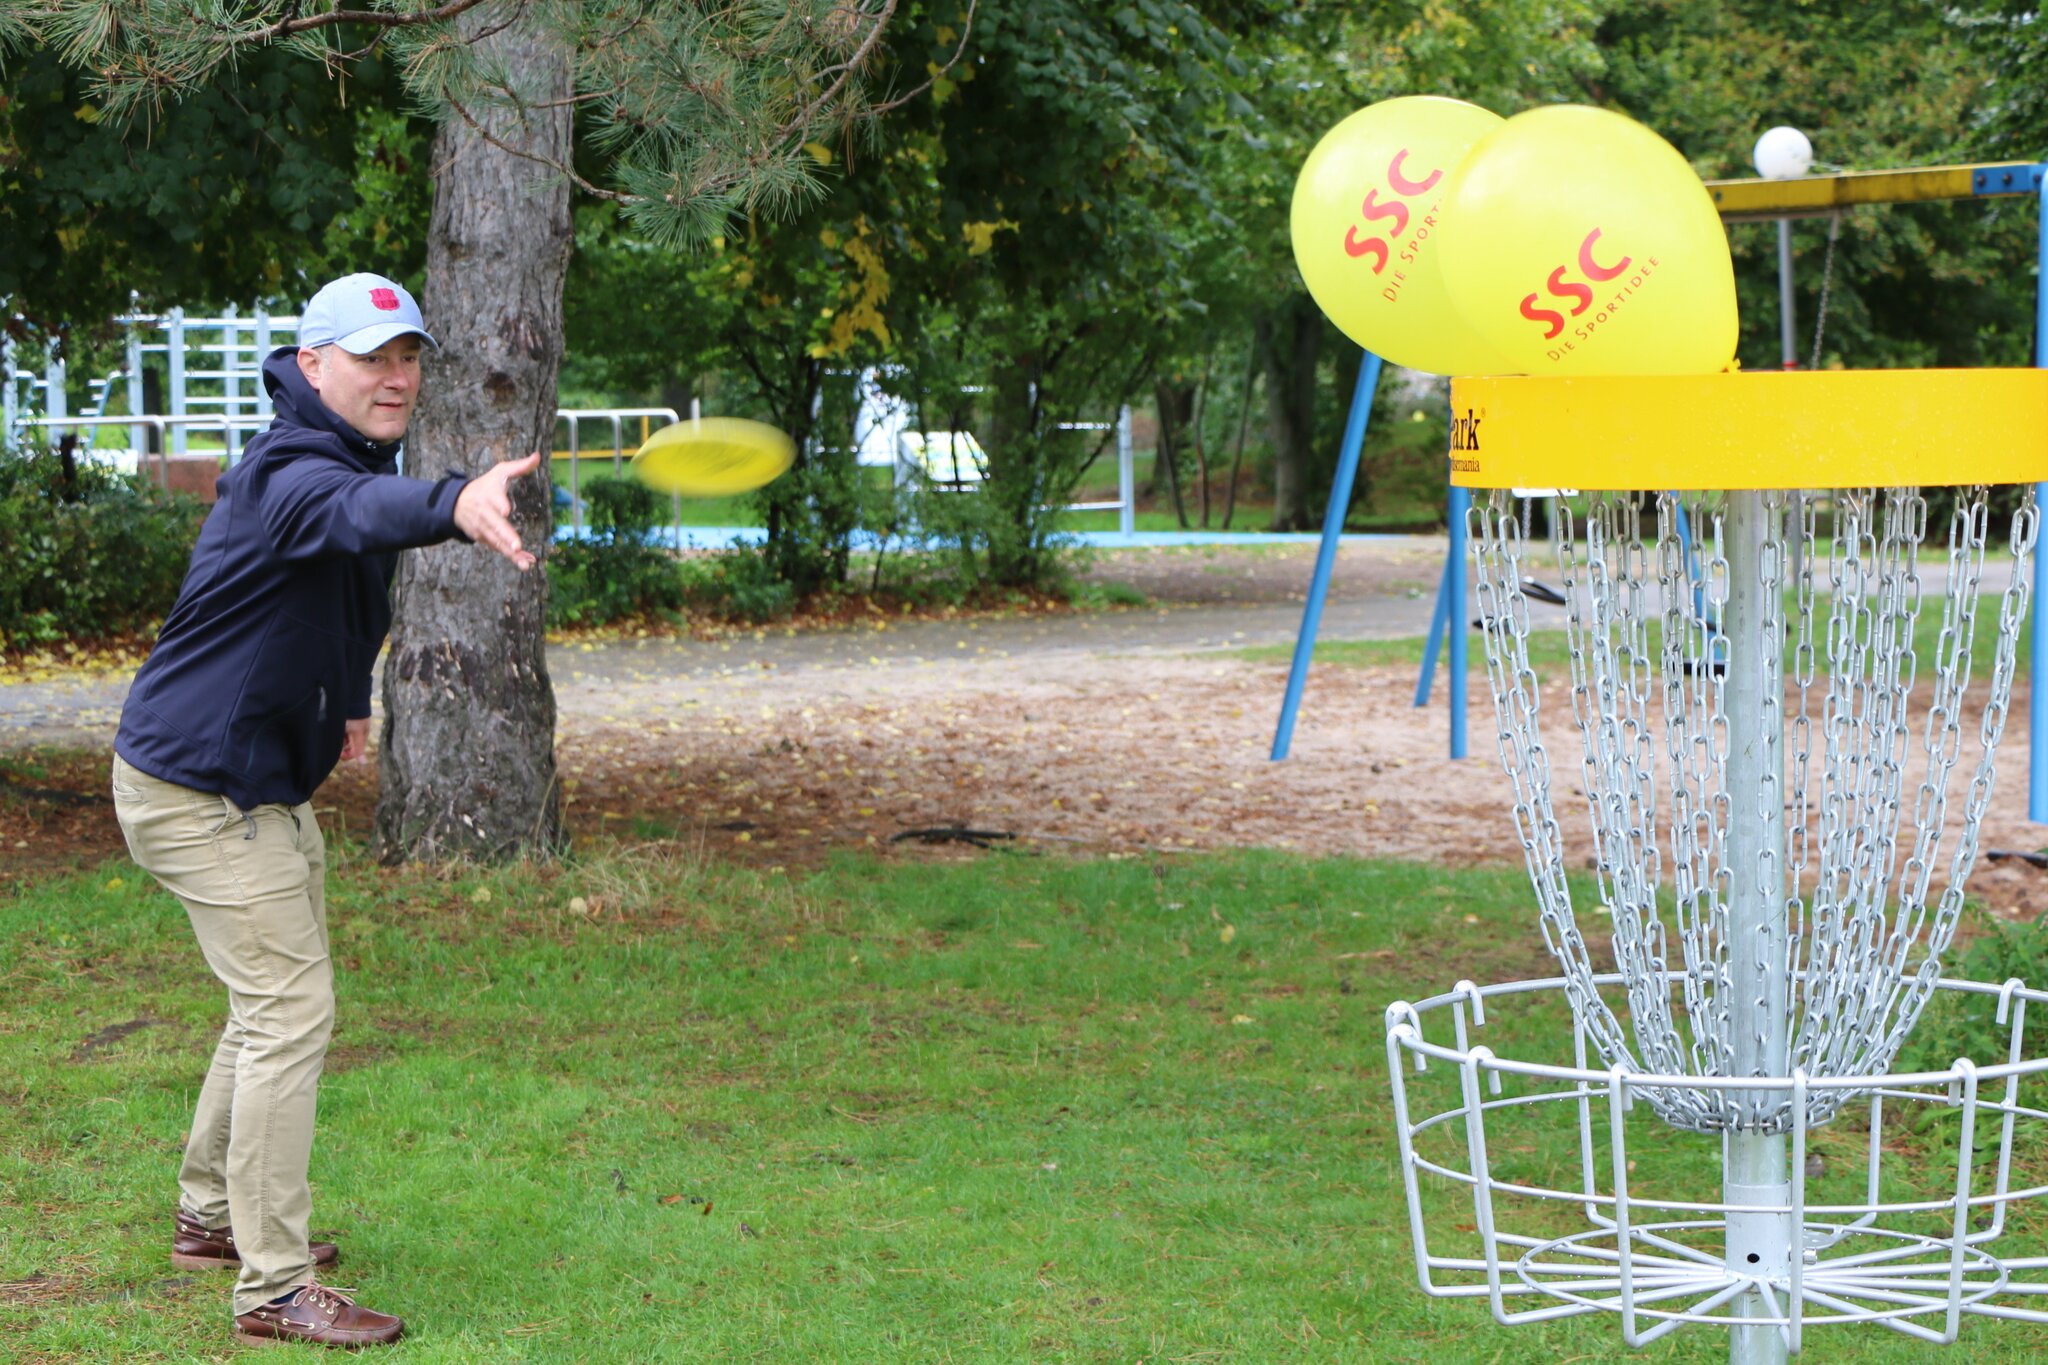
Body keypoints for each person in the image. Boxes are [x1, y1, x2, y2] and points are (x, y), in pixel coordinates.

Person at [110, 272, 540, 1349]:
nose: (394, 378)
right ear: (312, 367)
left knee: (269, 1006)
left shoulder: (350, 456)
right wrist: (452, 502)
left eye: (406, 358)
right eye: (369, 358)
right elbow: (345, 518)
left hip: (245, 776)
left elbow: (348, 580)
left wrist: (345, 701)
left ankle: (208, 1218)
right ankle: (270, 1288)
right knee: (287, 1014)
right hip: (198, 791)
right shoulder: (292, 471)